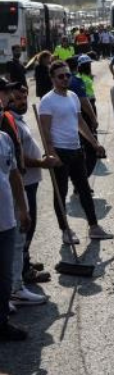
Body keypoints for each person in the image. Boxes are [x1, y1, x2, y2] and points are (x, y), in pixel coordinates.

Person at [37, 60, 111, 244]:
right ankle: (65, 230)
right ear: (52, 78)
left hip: (76, 149)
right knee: (60, 193)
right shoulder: (47, 101)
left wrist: (94, 144)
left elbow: (80, 123)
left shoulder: (73, 96)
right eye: (60, 76)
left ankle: (94, 227)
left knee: (85, 190)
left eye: (67, 75)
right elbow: (44, 130)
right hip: (59, 152)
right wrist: (51, 152)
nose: (65, 79)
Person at [6, 80, 53, 307]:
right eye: (16, 98)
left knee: (26, 231)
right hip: (20, 185)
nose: (21, 102)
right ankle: (18, 280)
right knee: (21, 232)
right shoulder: (8, 121)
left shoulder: (17, 119)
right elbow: (18, 158)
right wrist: (42, 163)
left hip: (29, 182)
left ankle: (24, 267)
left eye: (24, 98)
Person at [0, 118, 29, 342]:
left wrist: (22, 209)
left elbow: (13, 175)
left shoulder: (4, 139)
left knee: (5, 276)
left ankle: (2, 323)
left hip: (6, 220)